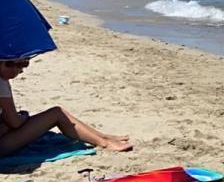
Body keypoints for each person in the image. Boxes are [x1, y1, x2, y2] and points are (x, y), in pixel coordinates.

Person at [0, 58, 133, 156]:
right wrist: (22, 117)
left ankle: (102, 137)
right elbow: (15, 123)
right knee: (56, 113)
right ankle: (104, 143)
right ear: (4, 63)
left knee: (56, 112)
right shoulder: (1, 83)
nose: (22, 70)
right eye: (21, 64)